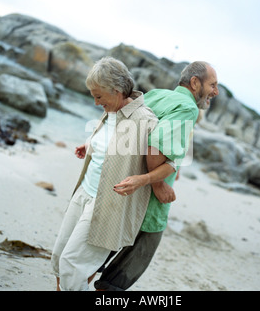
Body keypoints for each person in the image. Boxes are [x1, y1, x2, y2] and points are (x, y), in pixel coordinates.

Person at [51, 56, 176, 291]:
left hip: (108, 204)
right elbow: (113, 142)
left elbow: (170, 165)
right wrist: (90, 144)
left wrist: (142, 180)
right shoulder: (112, 109)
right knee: (59, 258)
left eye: (99, 96)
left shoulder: (145, 120)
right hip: (84, 193)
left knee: (73, 265)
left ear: (117, 91)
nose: (96, 103)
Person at [94, 61, 219, 291]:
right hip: (147, 205)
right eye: (213, 85)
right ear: (194, 82)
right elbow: (156, 147)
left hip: (121, 186)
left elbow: (126, 126)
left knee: (94, 259)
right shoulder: (188, 108)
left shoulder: (156, 95)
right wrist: (159, 184)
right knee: (115, 281)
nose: (216, 92)